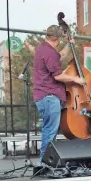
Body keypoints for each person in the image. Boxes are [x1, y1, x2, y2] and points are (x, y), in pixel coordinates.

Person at [33, 25, 85, 165]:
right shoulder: (49, 53)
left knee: (50, 130)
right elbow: (58, 76)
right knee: (50, 131)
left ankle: (47, 162)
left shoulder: (44, 50)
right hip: (49, 95)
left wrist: (69, 45)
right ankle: (45, 163)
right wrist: (76, 79)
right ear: (57, 38)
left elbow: (59, 57)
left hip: (44, 96)